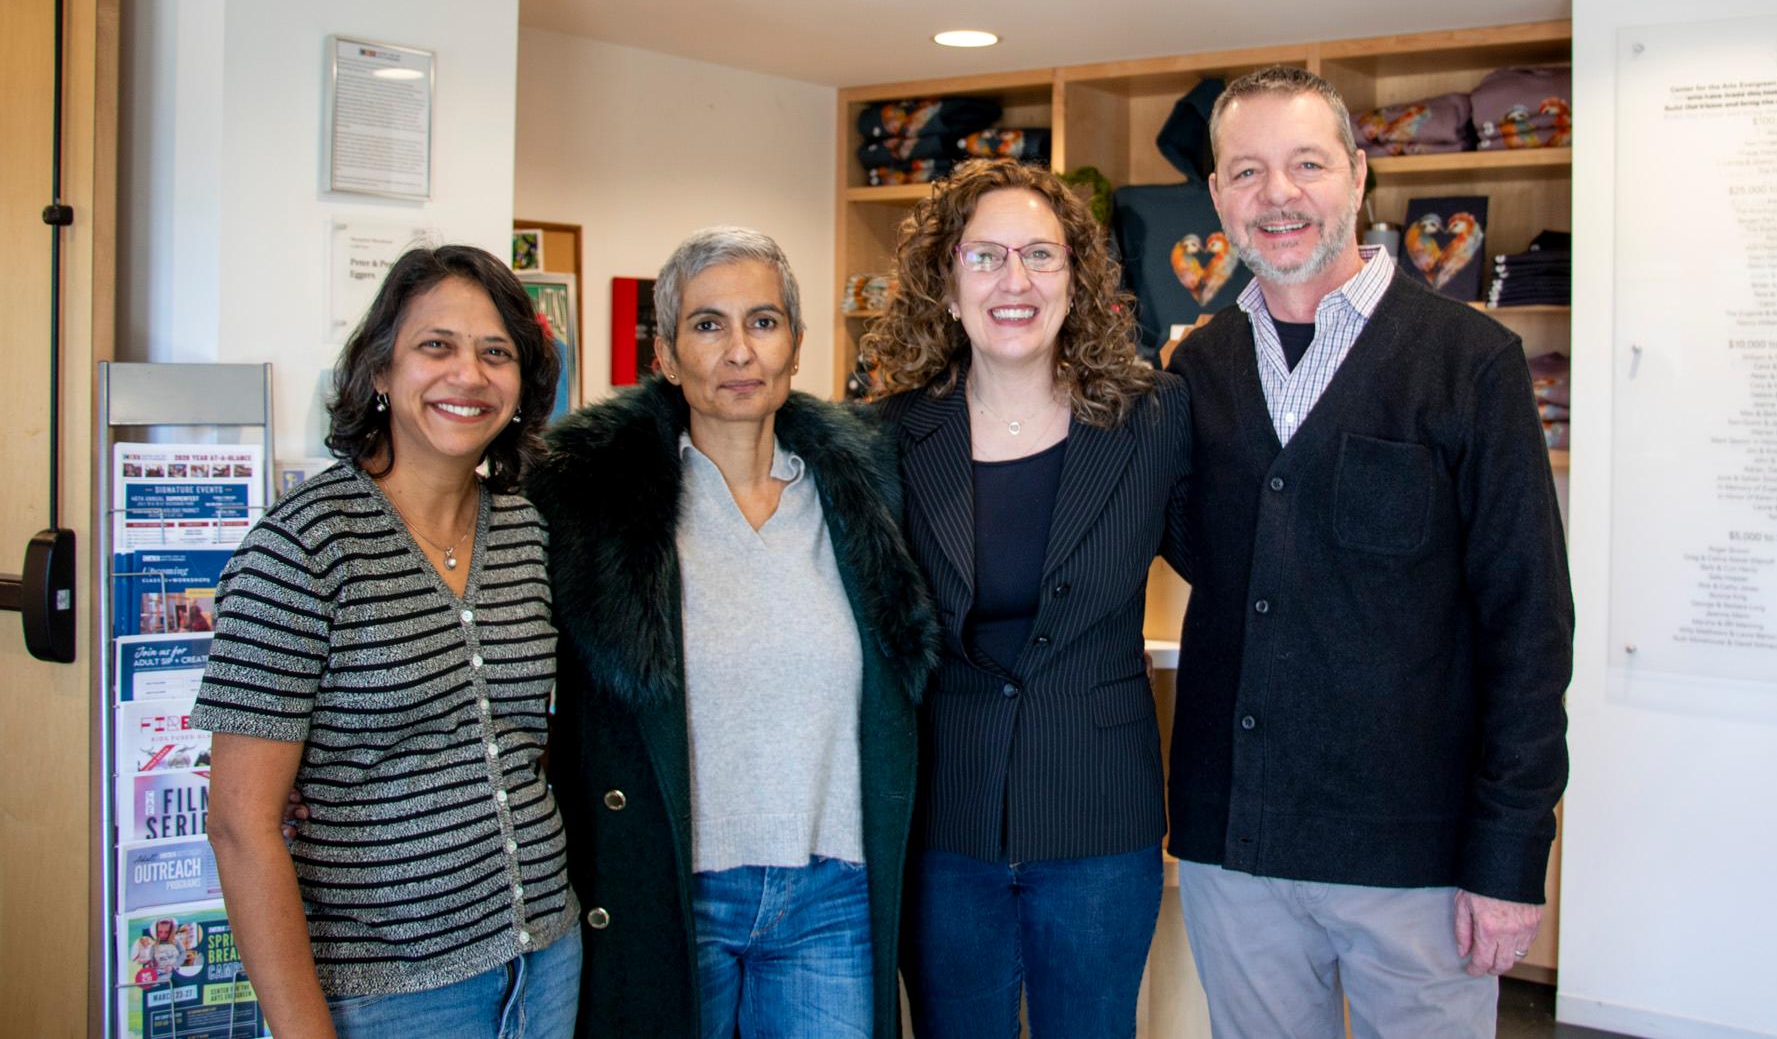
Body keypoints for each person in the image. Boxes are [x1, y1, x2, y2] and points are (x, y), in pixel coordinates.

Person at [1165, 66, 1574, 1039]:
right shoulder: (1198, 368)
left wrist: (1509, 856)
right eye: (1247, 171)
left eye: (1306, 164)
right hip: (1238, 851)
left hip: (1414, 862)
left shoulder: (1469, 361)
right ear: (1218, 194)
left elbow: (1527, 623)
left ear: (1357, 173)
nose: (1277, 195)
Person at [525, 227, 938, 1039]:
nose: (740, 350)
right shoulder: (594, 501)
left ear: (796, 345)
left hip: (831, 895)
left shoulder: (864, 486)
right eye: (708, 324)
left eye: (764, 321)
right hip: (675, 892)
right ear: (667, 355)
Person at [194, 244, 579, 1039]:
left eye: (496, 353)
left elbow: (521, 734)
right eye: (436, 345)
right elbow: (239, 825)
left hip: (547, 961)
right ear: (380, 370)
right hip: (390, 992)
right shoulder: (300, 547)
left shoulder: (527, 530)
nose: (468, 375)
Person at [861, 159, 1193, 1039]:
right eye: (986, 256)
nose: (1016, 280)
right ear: (946, 283)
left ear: (1075, 278)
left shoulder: (1153, 419)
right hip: (945, 820)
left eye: (1041, 254)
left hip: (1098, 815)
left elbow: (1232, 563)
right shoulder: (887, 436)